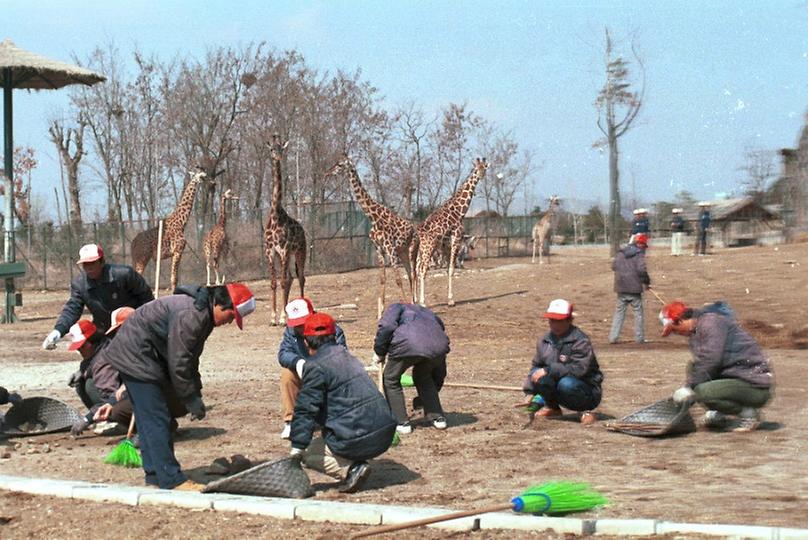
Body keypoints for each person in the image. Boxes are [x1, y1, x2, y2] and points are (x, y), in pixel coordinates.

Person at [104, 282, 256, 491]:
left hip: (140, 354)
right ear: (220, 305)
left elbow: (191, 357)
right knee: (157, 418)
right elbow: (180, 361)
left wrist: (196, 392)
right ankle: (172, 479)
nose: (229, 322)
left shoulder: (203, 314)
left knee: (149, 418)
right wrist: (190, 398)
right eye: (231, 317)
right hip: (136, 356)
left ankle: (155, 475)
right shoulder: (192, 315)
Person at [289, 312, 397, 494]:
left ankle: (352, 469)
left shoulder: (315, 366)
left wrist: (296, 448)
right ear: (333, 336)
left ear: (306, 342)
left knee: (308, 453)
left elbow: (306, 409)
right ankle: (356, 460)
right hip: (385, 430)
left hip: (360, 435)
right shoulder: (348, 356)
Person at [660, 301, 774, 432]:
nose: (676, 334)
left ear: (680, 321)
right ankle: (718, 413)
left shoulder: (711, 323)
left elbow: (711, 360)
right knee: (694, 368)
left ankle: (749, 415)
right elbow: (705, 364)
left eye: (674, 330)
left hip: (754, 386)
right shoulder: (696, 332)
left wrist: (689, 388)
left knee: (703, 392)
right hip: (736, 379)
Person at [42, 243, 153, 350]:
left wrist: (147, 323)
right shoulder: (80, 285)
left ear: (102, 262)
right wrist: (58, 330)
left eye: (92, 263)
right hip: (105, 331)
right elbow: (72, 309)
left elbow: (147, 299)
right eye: (85, 264)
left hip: (133, 328)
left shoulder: (125, 275)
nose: (89, 268)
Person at [522, 299, 603, 425]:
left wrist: (548, 370)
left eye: (559, 321)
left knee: (566, 383)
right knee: (539, 376)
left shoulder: (580, 340)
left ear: (569, 320)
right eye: (552, 320)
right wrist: (529, 391)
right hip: (557, 382)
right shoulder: (544, 340)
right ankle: (552, 407)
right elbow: (536, 365)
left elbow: (579, 369)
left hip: (585, 387)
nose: (555, 325)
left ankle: (586, 411)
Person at [374, 302, 450, 434]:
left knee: (390, 378)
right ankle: (437, 417)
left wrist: (379, 352)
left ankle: (402, 422)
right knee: (424, 377)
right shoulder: (427, 311)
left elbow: (386, 326)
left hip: (408, 344)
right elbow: (440, 329)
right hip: (439, 347)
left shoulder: (396, 307)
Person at [277, 297, 347, 439]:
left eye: (303, 323)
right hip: (303, 373)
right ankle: (291, 422)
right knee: (287, 374)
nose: (300, 328)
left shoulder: (332, 330)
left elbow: (342, 357)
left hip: (326, 375)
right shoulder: (291, 332)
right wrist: (298, 363)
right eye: (297, 324)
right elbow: (284, 353)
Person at [608, 233, 651, 344]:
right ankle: (639, 338)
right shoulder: (639, 254)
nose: (644, 248)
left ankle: (613, 338)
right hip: (634, 288)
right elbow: (641, 270)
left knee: (619, 313)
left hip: (620, 287)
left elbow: (613, 266)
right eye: (644, 245)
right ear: (640, 244)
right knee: (638, 313)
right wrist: (646, 282)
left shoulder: (621, 253)